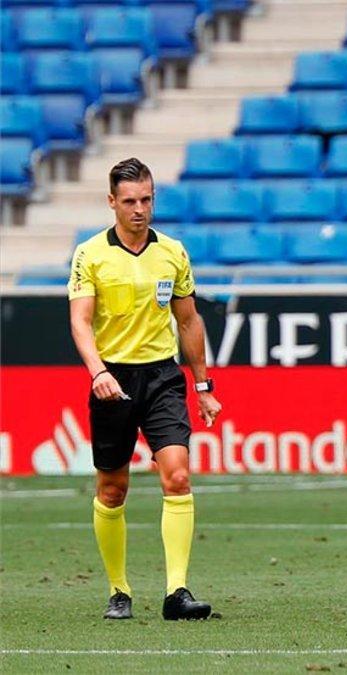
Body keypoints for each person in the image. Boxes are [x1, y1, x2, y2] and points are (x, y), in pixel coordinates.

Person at [68, 158, 222, 620]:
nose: (140, 209)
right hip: (112, 378)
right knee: (112, 489)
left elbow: (189, 319)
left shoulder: (173, 252)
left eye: (147, 199)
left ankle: (177, 592)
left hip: (161, 376)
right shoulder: (90, 253)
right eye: (130, 201)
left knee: (177, 475)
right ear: (112, 202)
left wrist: (203, 385)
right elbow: (80, 320)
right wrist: (98, 372)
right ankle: (119, 590)